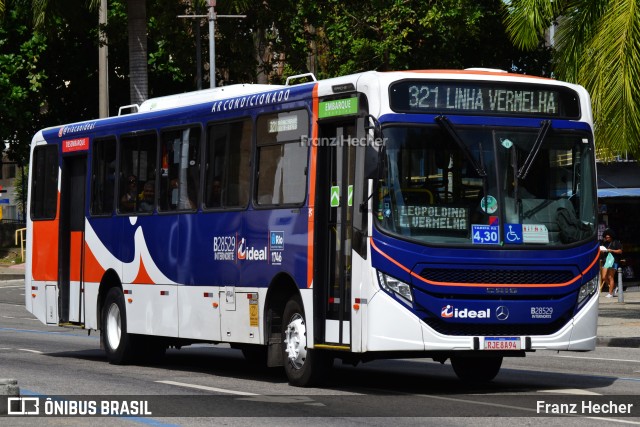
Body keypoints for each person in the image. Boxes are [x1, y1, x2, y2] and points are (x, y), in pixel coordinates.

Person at [600, 228, 623, 298]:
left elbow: (620, 251)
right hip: (606, 261)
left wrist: (612, 250)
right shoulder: (605, 243)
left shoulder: (616, 242)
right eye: (606, 237)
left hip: (614, 260)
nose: (607, 238)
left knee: (610, 277)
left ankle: (610, 293)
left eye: (608, 237)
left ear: (611, 236)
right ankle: (614, 287)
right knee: (604, 277)